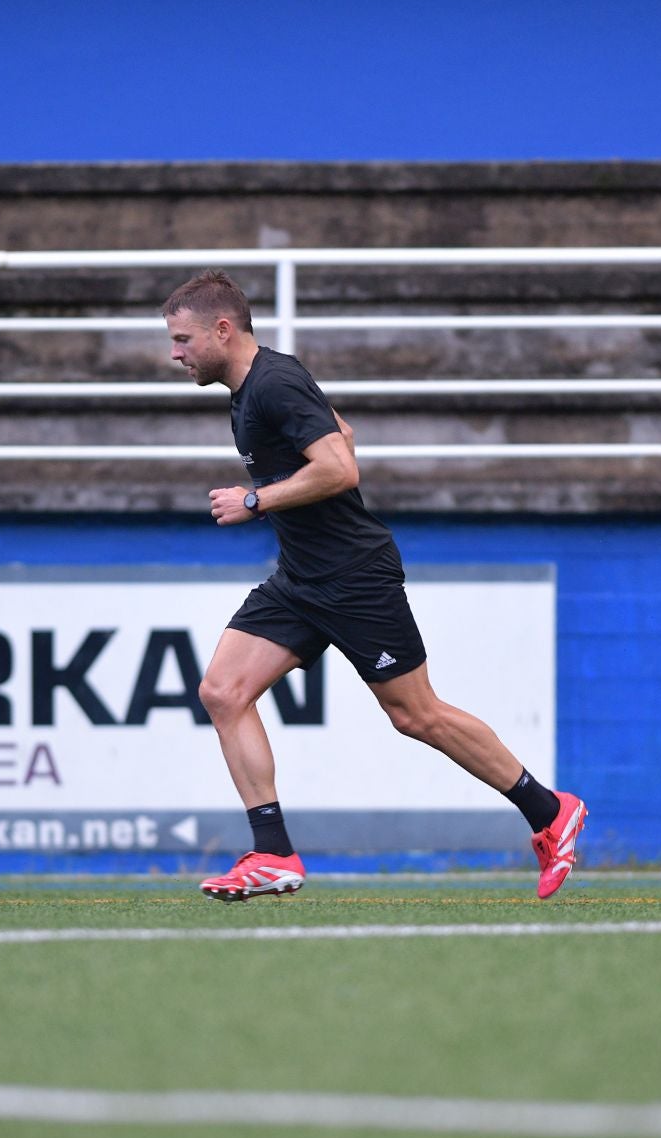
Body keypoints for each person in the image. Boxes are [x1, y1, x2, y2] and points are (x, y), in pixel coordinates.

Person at [162, 270, 587, 901]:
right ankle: (273, 853)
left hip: (354, 577)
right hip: (302, 579)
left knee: (416, 714)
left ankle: (549, 811)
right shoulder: (254, 387)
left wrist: (257, 499)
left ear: (223, 330)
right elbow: (343, 433)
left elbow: (339, 464)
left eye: (182, 339)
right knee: (223, 690)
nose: (175, 355)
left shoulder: (273, 382)